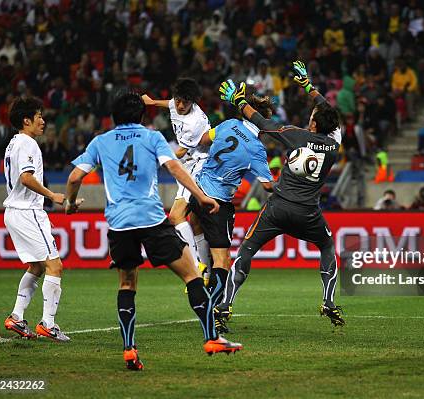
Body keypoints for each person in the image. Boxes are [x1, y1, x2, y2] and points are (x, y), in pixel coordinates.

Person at [65, 92, 242, 371]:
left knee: (127, 284)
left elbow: (75, 176)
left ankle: (129, 349)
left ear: (113, 116)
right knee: (192, 275)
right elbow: (175, 168)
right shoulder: (152, 138)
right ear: (142, 115)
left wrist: (71, 203)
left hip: (119, 223)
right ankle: (212, 338)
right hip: (150, 219)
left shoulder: (100, 141)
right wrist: (201, 196)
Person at [215, 61, 344, 332]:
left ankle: (226, 304)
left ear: (312, 123)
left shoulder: (296, 136)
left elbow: (261, 122)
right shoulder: (334, 145)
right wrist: (309, 87)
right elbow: (329, 114)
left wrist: (239, 102)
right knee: (328, 247)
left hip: (278, 208)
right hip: (308, 214)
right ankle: (328, 301)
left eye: (311, 115)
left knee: (246, 251)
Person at [188, 95, 275, 332]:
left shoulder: (229, 124)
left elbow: (204, 140)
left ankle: (201, 266)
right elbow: (268, 186)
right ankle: (214, 311)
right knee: (223, 260)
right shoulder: (256, 148)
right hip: (217, 203)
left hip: (197, 191)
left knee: (196, 227)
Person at [3, 97, 77, 342]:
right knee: (55, 266)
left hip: (13, 212)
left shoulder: (13, 143)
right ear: (27, 121)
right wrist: (51, 195)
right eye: (39, 117)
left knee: (36, 266)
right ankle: (48, 323)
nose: (43, 121)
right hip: (28, 212)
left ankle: (16, 315)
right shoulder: (28, 143)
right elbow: (26, 177)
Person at [142, 78, 212, 280]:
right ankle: (206, 270)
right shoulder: (177, 103)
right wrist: (154, 102)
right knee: (195, 222)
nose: (180, 105)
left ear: (192, 102)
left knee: (175, 216)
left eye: (185, 102)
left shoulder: (194, 122)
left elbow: (180, 152)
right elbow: (170, 104)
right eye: (178, 100)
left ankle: (195, 265)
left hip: (198, 166)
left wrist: (157, 159)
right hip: (189, 164)